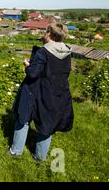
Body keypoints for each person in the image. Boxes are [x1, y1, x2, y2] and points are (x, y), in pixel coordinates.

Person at [9, 22, 74, 161]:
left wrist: (27, 66)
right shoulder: (67, 52)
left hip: (35, 90)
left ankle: (16, 152)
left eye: (46, 31)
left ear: (49, 34)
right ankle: (39, 158)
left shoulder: (43, 52)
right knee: (47, 124)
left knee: (23, 118)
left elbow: (33, 73)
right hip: (57, 93)